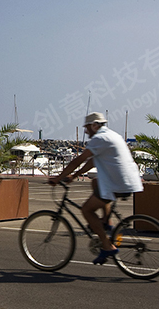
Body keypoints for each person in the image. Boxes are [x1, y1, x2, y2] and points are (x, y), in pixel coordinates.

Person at [49, 112, 143, 265]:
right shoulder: (111, 135)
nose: (86, 131)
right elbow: (92, 161)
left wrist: (58, 178)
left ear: (94, 125)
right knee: (95, 183)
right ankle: (107, 222)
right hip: (126, 181)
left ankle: (107, 246)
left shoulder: (100, 138)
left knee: (86, 210)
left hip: (118, 183)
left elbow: (79, 160)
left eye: (87, 128)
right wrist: (74, 176)